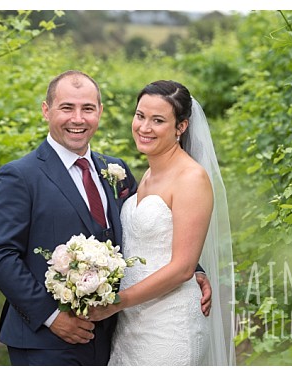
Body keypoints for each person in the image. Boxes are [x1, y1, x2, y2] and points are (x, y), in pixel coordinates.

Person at [0, 71, 212, 366]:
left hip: (112, 333)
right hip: (45, 342)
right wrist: (52, 317)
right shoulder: (20, 175)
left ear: (99, 112)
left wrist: (193, 267)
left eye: (87, 109)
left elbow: (152, 230)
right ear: (46, 110)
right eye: (67, 108)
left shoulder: (115, 170)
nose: (77, 119)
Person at [84, 80, 236, 365]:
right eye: (140, 116)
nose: (144, 127)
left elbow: (182, 268)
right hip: (131, 323)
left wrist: (116, 303)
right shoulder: (147, 174)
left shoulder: (191, 178)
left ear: (181, 127)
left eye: (158, 120)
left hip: (169, 324)